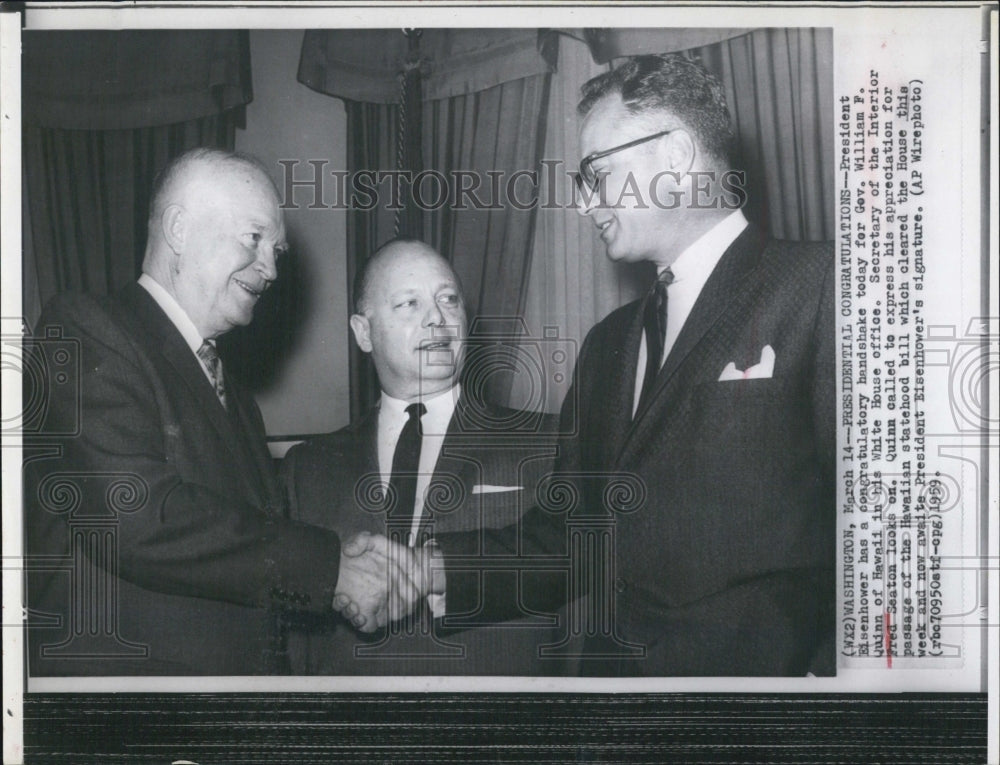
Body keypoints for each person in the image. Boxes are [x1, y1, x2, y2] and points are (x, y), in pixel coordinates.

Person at [401, 53, 836, 676]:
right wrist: (430, 569)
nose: (585, 205)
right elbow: (574, 535)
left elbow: (881, 530)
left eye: (596, 174)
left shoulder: (826, 286)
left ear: (677, 155)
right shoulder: (607, 345)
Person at [25, 147, 417, 676]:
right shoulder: (85, 329)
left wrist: (344, 558)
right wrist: (332, 568)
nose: (272, 268)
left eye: (276, 250)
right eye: (254, 239)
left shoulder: (238, 399)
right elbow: (136, 513)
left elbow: (249, 544)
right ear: (179, 228)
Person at [281, 239, 569, 674]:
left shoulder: (548, 442)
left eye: (449, 299)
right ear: (363, 332)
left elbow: (582, 575)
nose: (437, 317)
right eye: (409, 303)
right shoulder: (307, 467)